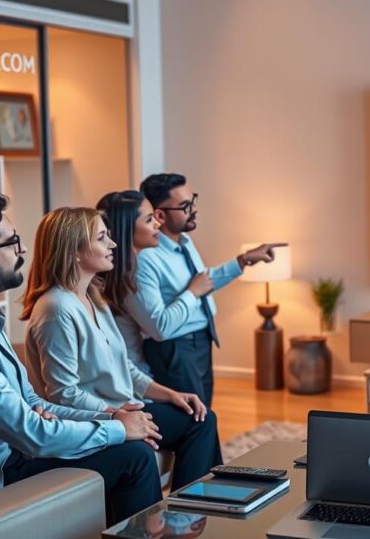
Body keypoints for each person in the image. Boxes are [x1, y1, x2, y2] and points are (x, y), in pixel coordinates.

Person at [0, 194, 162, 526]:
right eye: (11, 243)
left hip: (13, 452)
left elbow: (32, 402)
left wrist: (112, 417)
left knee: (134, 448)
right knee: (133, 456)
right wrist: (117, 430)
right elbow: (33, 434)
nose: (21, 252)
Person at [22, 206, 221, 490]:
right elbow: (63, 394)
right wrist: (115, 415)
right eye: (102, 237)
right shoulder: (56, 308)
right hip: (90, 422)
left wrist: (171, 395)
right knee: (149, 448)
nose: (113, 244)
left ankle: (191, 514)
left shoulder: (93, 297)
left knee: (200, 418)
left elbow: (124, 366)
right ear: (74, 250)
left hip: (120, 409)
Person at [128, 173, 285, 404]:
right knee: (195, 420)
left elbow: (204, 281)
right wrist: (192, 292)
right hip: (176, 350)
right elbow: (160, 326)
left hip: (200, 342)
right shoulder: (146, 258)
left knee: (205, 414)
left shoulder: (184, 241)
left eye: (193, 200)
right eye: (185, 206)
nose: (194, 209)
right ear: (160, 215)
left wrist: (244, 260)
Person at [96, 190, 162, 375]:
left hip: (134, 372)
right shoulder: (129, 277)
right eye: (149, 220)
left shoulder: (122, 272)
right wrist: (193, 292)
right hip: (129, 377)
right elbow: (159, 328)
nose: (158, 224)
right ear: (126, 228)